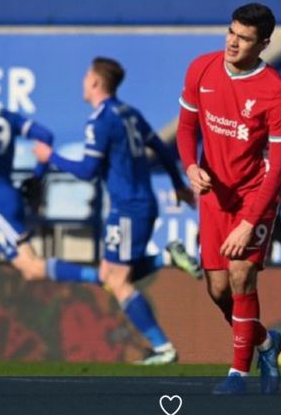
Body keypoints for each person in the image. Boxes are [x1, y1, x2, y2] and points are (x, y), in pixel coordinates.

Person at [34, 57, 200, 365]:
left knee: (117, 282)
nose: (83, 81)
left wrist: (50, 156)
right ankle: (168, 258)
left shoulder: (100, 120)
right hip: (142, 203)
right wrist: (177, 184)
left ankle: (163, 348)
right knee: (109, 274)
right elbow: (163, 148)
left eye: (86, 76)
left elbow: (86, 170)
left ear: (96, 81)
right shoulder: (129, 113)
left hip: (127, 209)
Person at [0, 68, 103, 359]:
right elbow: (45, 134)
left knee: (31, 268)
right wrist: (38, 175)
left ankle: (100, 277)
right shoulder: (5, 116)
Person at [176, 3, 281, 395]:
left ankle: (237, 375)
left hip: (253, 196)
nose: (233, 42)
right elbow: (186, 127)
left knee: (241, 274)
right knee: (218, 290)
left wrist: (249, 223)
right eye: (231, 32)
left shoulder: (277, 94)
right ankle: (265, 342)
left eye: (244, 38)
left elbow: (278, 168)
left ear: (263, 44)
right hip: (213, 197)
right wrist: (191, 167)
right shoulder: (201, 69)